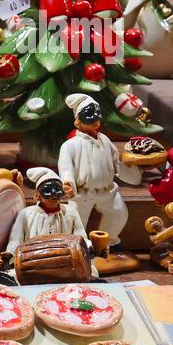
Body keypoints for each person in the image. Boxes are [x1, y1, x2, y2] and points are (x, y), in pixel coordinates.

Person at [57, 94, 140, 252]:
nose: (95, 123)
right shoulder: (70, 145)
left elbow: (116, 161)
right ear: (77, 121)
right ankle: (77, 248)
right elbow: (66, 167)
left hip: (107, 191)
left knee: (118, 213)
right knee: (76, 222)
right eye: (89, 120)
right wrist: (68, 183)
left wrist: (132, 172)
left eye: (97, 119)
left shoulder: (105, 141)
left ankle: (109, 243)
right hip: (82, 193)